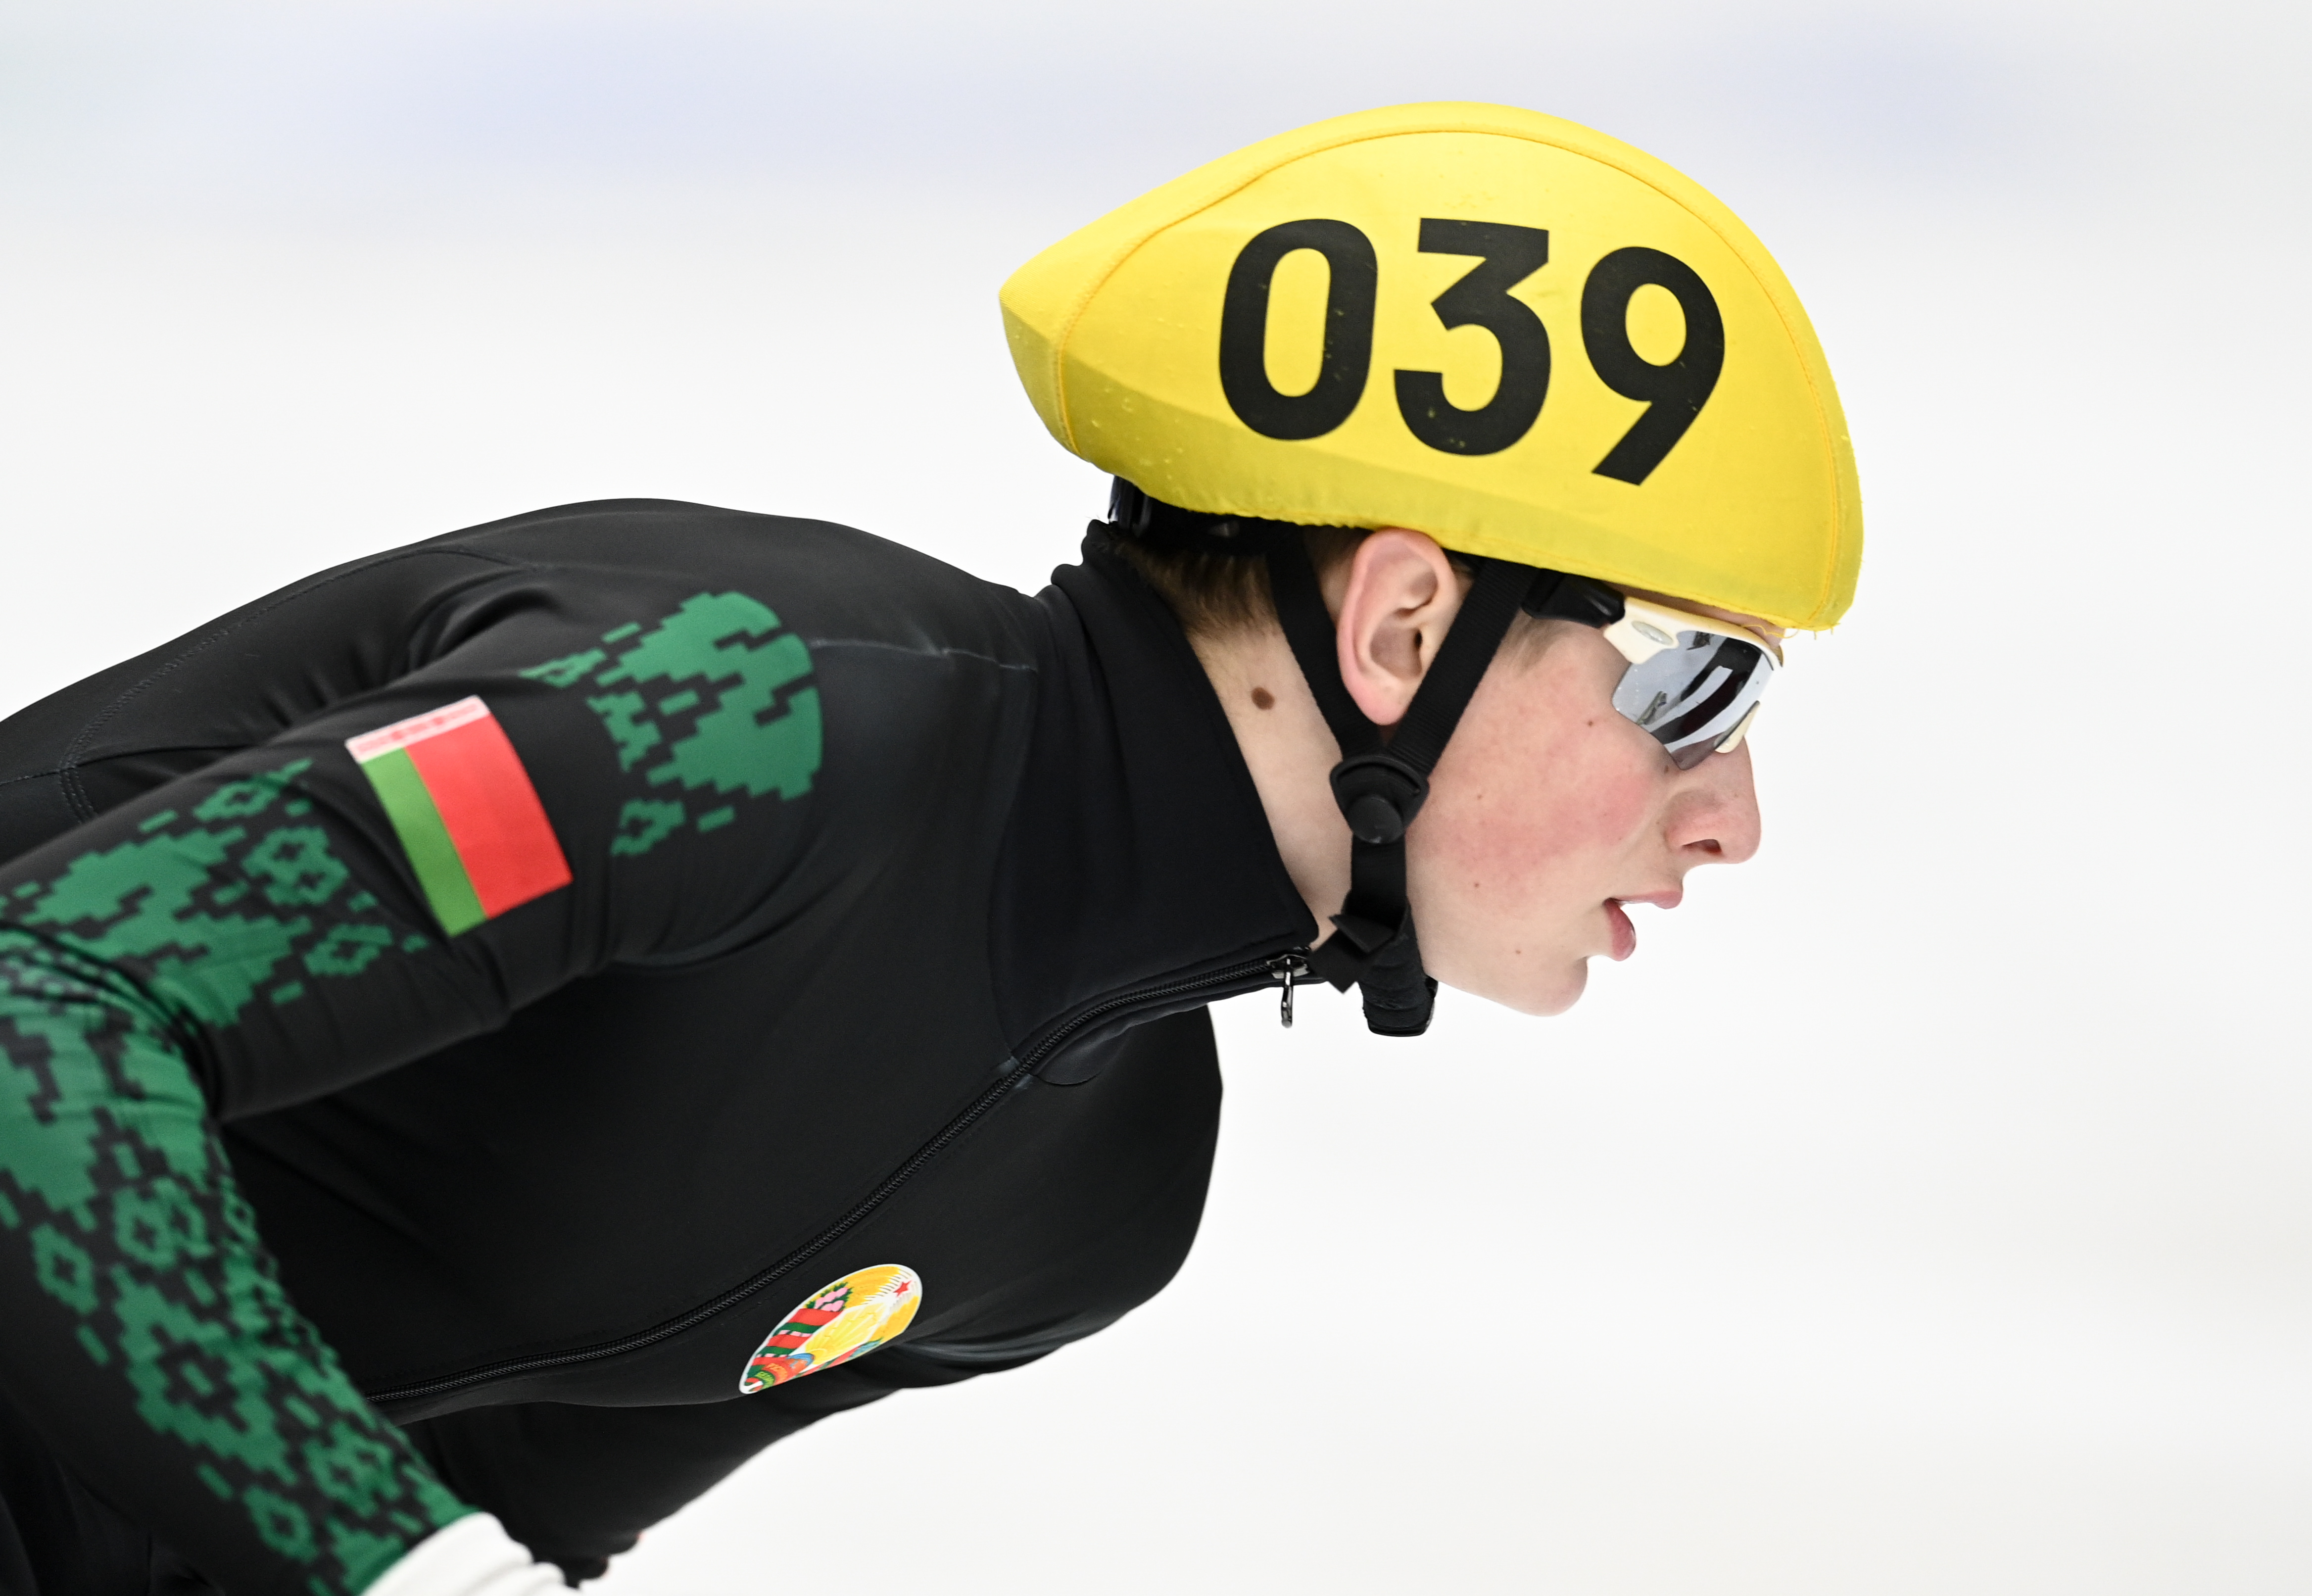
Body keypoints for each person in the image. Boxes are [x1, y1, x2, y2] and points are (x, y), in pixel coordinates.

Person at [0, 101, 1859, 1595]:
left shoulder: (1097, 1207)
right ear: (1403, 624)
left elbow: (472, 1518)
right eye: (1698, 681)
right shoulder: (746, 712)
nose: (1736, 815)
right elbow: (33, 1013)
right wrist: (398, 1560)